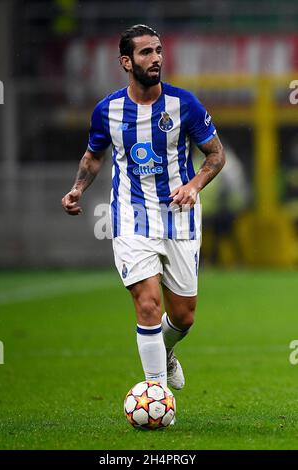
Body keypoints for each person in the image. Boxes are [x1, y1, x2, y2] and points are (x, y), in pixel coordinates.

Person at [62, 25, 225, 398]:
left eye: (158, 51)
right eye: (146, 53)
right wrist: (77, 188)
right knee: (147, 303)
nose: (156, 59)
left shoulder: (184, 104)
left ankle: (166, 349)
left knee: (183, 317)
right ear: (126, 61)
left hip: (179, 219)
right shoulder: (108, 111)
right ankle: (156, 393)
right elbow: (93, 156)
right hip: (131, 217)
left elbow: (216, 155)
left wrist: (194, 185)